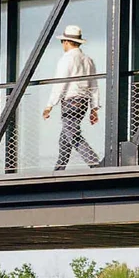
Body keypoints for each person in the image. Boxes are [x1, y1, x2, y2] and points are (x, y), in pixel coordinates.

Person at [40, 24, 101, 170]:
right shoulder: (88, 60)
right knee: (65, 137)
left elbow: (60, 83)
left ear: (66, 42)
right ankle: (59, 169)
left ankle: (95, 164)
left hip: (70, 101)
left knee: (73, 135)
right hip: (83, 102)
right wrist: (94, 108)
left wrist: (50, 105)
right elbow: (94, 84)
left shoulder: (66, 59)